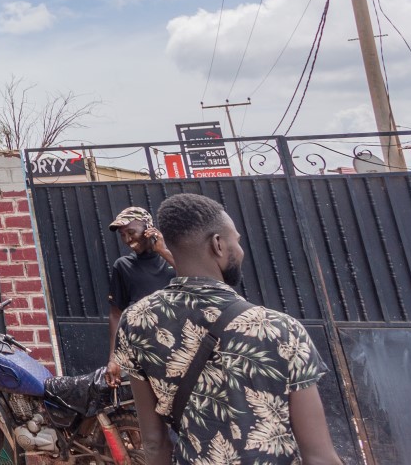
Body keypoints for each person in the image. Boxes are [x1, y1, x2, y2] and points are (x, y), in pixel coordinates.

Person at [115, 193, 341, 465]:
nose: (240, 249)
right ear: (218, 244)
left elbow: (154, 444)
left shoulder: (135, 323)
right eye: (237, 239)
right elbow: (319, 456)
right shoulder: (281, 330)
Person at [105, 207, 175, 380]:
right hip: (144, 349)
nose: (128, 240)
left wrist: (163, 251)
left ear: (148, 229)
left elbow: (196, 279)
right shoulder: (123, 266)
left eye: (131, 232)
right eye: (123, 235)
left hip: (180, 345)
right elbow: (116, 314)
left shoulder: (173, 257)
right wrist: (113, 359)